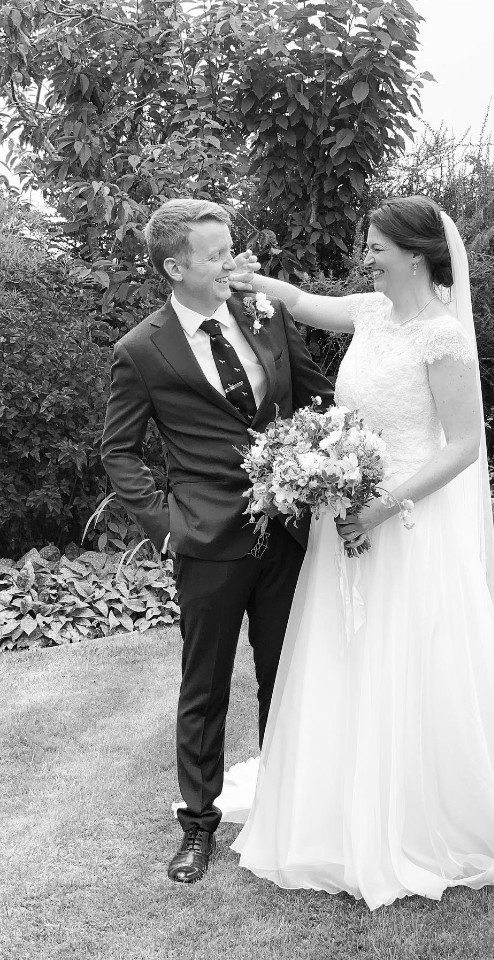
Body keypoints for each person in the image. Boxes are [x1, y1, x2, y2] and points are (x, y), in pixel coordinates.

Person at [224, 196, 494, 910]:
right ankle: (340, 802)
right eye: (366, 245)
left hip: (403, 520)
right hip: (349, 512)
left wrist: (383, 507)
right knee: (346, 649)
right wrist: (251, 283)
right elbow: (303, 302)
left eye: (375, 247)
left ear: (418, 254)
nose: (365, 257)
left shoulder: (442, 339)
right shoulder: (369, 312)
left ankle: (418, 812)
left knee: (408, 652)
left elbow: (462, 446)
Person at [101, 198, 333, 883]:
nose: (232, 262)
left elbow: (317, 398)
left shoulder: (265, 313)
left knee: (282, 678)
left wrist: (329, 464)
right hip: (205, 539)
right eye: (215, 254)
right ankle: (198, 827)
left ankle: (283, 812)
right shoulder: (141, 349)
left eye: (232, 248)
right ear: (176, 267)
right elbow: (119, 452)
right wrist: (167, 525)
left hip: (286, 533)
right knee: (203, 688)